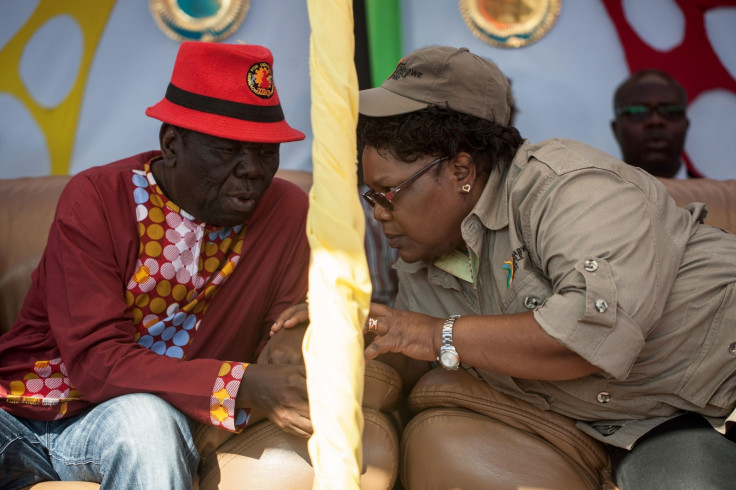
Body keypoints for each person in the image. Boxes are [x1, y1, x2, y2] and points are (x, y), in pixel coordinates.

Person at [354, 46, 736, 489]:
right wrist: (350, 330)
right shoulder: (425, 259)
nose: (379, 212)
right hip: (658, 421)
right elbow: (412, 355)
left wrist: (432, 332)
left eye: (388, 192)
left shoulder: (567, 189)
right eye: (371, 196)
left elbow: (589, 334)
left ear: (461, 169)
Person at [0, 42, 313, 489]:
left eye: (266, 152)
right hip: (21, 415)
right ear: (171, 144)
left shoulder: (285, 212)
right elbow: (97, 361)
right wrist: (238, 385)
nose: (252, 170)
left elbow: (281, 333)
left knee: (145, 419)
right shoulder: (98, 199)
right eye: (228, 149)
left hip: (137, 424)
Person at [611, 68, 691, 178]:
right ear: (615, 129)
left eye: (671, 111)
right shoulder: (591, 194)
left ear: (686, 125)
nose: (655, 121)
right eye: (638, 111)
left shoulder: (718, 194)